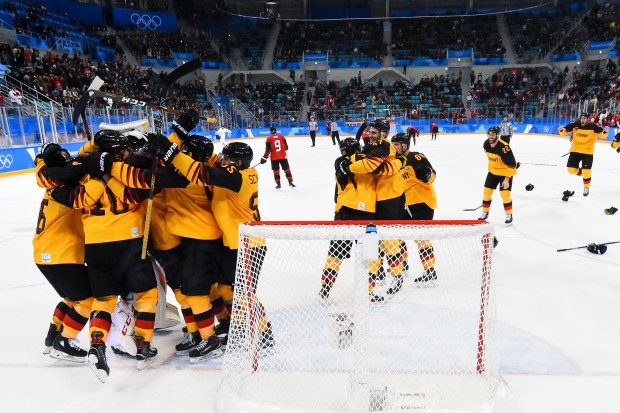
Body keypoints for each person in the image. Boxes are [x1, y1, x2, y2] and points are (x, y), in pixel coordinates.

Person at [145, 121, 275, 356]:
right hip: (231, 242)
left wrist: (172, 153)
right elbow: (206, 162)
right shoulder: (237, 172)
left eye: (225, 157)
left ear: (236, 163)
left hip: (248, 244)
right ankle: (235, 328)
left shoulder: (239, 177)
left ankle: (265, 336)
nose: (220, 159)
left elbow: (201, 171)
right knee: (226, 290)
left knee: (244, 294)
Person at [50, 131, 158, 382]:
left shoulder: (83, 173)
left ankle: (97, 345)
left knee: (103, 301)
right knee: (147, 295)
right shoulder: (127, 170)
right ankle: (143, 346)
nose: (129, 152)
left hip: (96, 245)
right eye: (125, 149)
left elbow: (75, 198)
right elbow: (135, 195)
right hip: (129, 243)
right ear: (119, 152)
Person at [33, 143, 93, 362]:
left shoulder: (53, 182)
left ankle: (52, 337)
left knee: (71, 299)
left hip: (46, 254)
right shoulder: (64, 188)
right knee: (88, 301)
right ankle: (65, 341)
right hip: (60, 254)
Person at [319, 138, 376, 300]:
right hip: (366, 213)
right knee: (369, 254)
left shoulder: (341, 161)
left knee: (336, 253)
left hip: (346, 211)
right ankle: (368, 291)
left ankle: (325, 288)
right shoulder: (368, 161)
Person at [391, 133, 438, 286]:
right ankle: (403, 265)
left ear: (405, 145)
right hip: (405, 203)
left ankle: (430, 272)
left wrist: (427, 175)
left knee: (421, 237)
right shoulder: (396, 162)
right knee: (398, 234)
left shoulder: (416, 157)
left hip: (421, 201)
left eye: (396, 144)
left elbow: (433, 175)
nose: (394, 147)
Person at [559, 112, 609, 196]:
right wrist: (561, 130)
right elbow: (564, 131)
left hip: (587, 153)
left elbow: (603, 136)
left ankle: (586, 187)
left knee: (586, 172)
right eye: (582, 118)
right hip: (575, 151)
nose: (583, 120)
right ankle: (585, 173)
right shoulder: (575, 125)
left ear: (588, 120)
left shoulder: (593, 127)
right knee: (570, 170)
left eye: (585, 118)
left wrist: (606, 131)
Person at [478, 126, 518, 225]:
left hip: (505, 173)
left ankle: (509, 215)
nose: (490, 136)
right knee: (486, 192)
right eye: (489, 134)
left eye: (493, 134)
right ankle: (485, 213)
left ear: (497, 135)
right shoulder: (486, 144)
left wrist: (507, 179)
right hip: (492, 171)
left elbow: (512, 164)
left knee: (505, 194)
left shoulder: (504, 147)